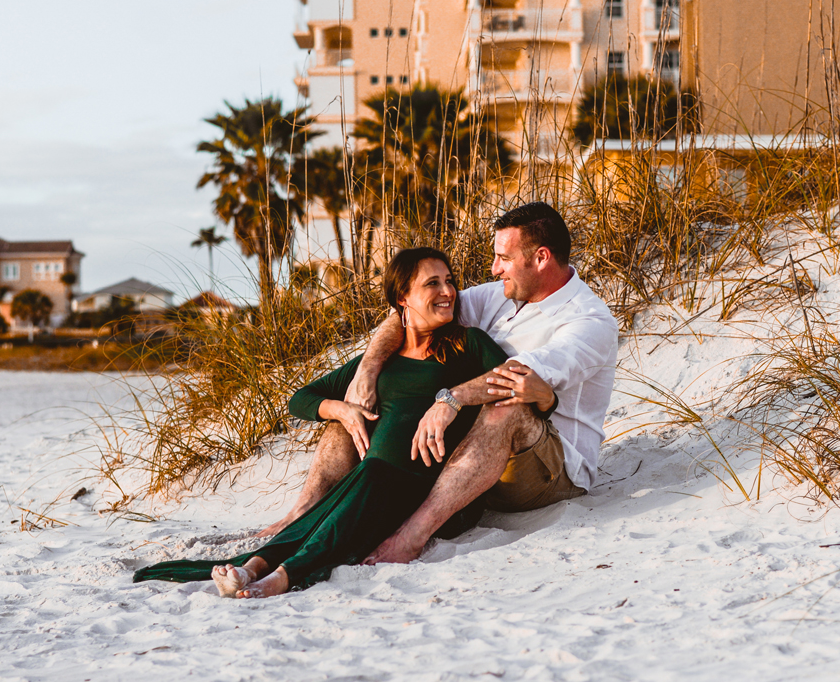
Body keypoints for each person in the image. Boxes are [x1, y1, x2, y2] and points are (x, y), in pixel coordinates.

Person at [257, 202, 620, 567]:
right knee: (355, 410)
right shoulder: (502, 294)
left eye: (504, 259)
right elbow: (412, 312)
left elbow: (516, 378)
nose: (495, 269)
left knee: (506, 405)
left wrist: (451, 399)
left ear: (541, 257)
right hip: (470, 461)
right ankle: (304, 512)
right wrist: (367, 370)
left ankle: (413, 534)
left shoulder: (589, 321)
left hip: (549, 467)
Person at [132, 247, 509, 598]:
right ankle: (252, 568)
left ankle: (282, 576)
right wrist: (342, 409)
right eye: (433, 283)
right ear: (402, 298)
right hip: (373, 483)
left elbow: (510, 377)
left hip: (428, 493)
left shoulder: (468, 344)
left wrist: (452, 399)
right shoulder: (378, 363)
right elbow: (302, 399)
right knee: (352, 491)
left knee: (367, 480)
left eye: (449, 281)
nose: (448, 291)